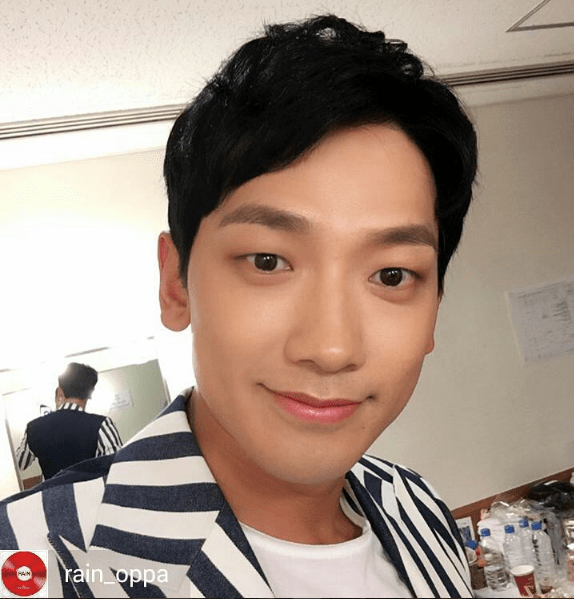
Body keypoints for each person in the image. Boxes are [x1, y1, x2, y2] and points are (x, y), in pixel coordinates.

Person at [0, 14, 477, 598]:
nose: (331, 348)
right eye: (268, 261)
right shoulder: (28, 558)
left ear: (433, 310)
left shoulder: (418, 509)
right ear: (176, 285)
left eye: (392, 275)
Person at [15, 362, 122, 480]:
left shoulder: (34, 428)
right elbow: (119, 466)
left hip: (52, 491)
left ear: (60, 392)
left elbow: (19, 464)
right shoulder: (101, 424)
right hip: (91, 490)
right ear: (90, 393)